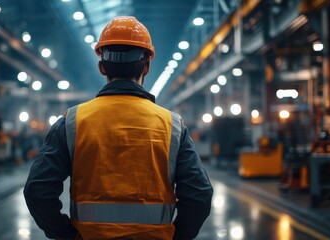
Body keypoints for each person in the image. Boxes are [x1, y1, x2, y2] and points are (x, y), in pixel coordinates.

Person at [24, 16, 213, 240]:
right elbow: (199, 196)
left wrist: (67, 235)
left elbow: (37, 190)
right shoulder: (172, 126)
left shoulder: (72, 122)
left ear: (102, 67)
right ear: (147, 66)